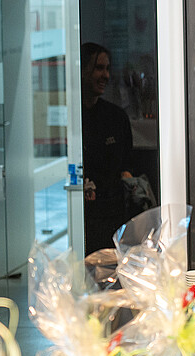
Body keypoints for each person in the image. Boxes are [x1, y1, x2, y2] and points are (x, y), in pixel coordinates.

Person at [81, 42, 135, 255]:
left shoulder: (116, 118)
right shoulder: (68, 117)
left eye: (107, 68)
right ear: (82, 70)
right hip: (81, 218)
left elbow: (127, 168)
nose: (105, 75)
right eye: (98, 68)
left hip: (111, 218)